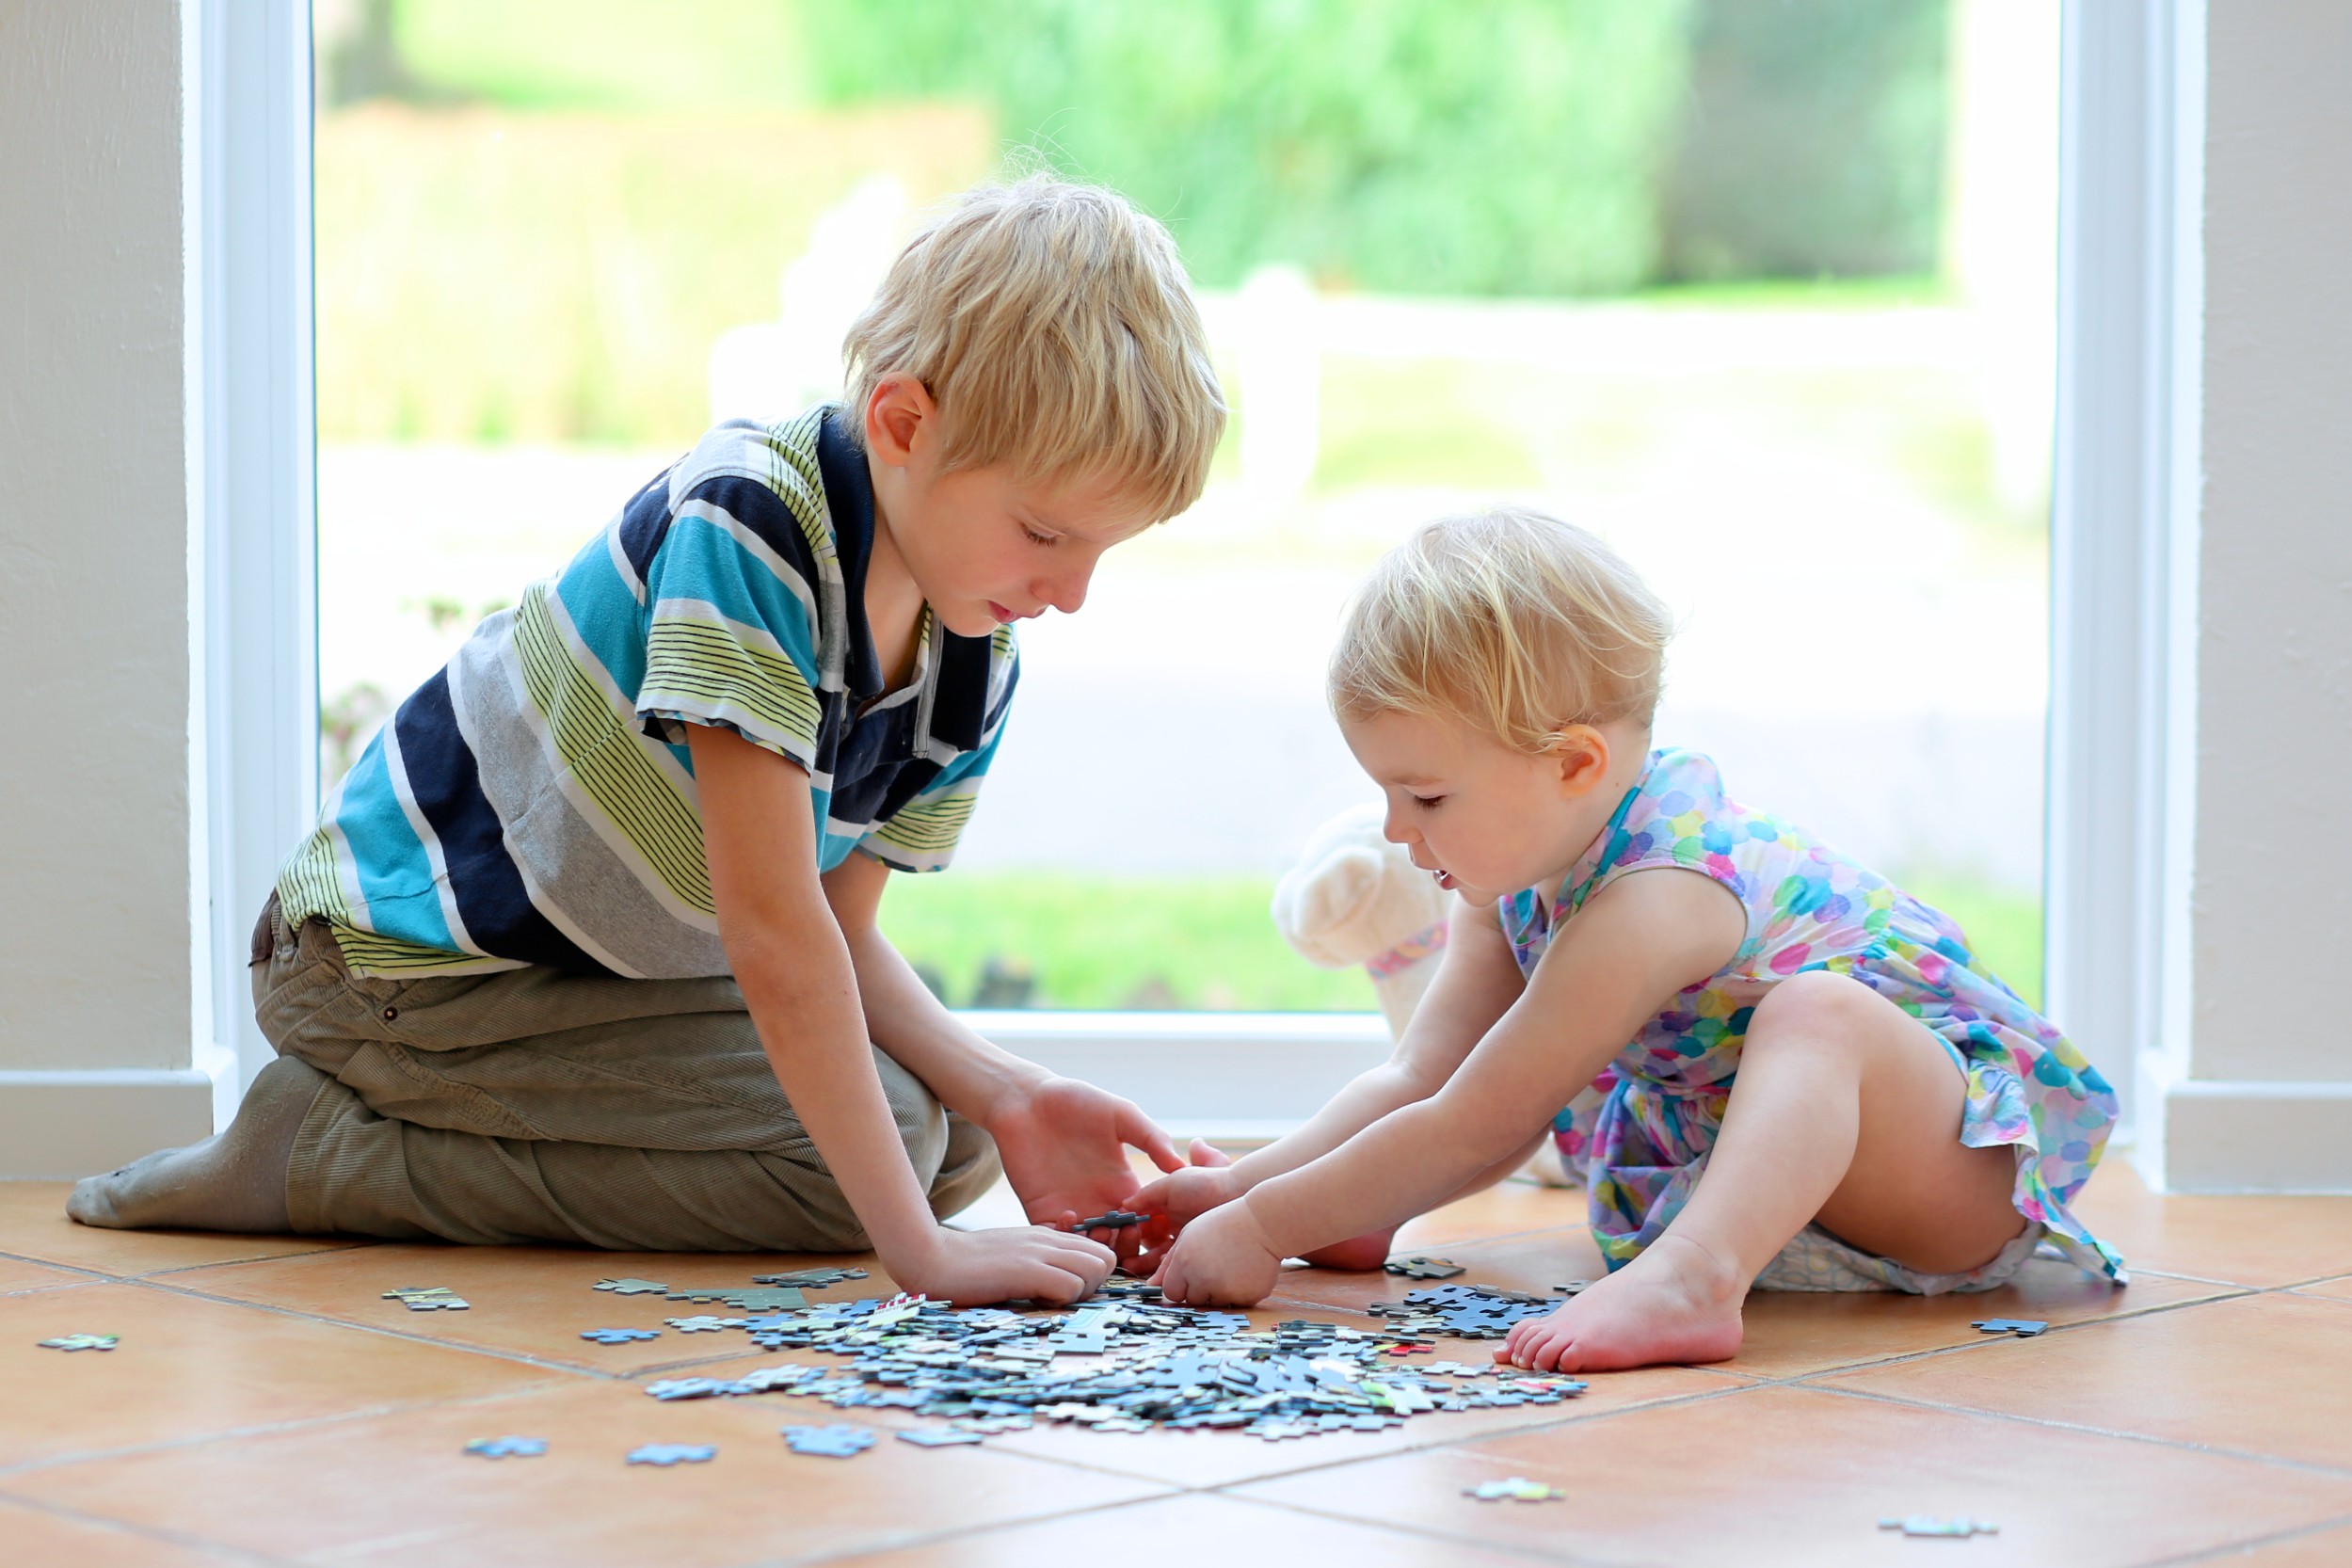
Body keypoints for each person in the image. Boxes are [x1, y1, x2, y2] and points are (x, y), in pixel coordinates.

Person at [69, 175, 1228, 1307]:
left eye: (1099, 552)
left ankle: (364, 1133)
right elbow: (776, 934)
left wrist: (1016, 1091)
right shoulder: (751, 526)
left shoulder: (975, 649)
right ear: (903, 422)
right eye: (1044, 532)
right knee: (861, 1172)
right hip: (397, 969)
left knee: (958, 1134)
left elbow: (838, 934)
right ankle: (318, 1153)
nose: (1069, 592)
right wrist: (918, 1255)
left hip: (590, 981)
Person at [1136, 506, 2123, 1369]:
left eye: (1426, 794)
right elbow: (1425, 1078)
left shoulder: (1658, 893)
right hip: (1784, 1181)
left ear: (1572, 763)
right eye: (1385, 792)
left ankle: (1697, 1281)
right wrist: (1245, 1182)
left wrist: (1264, 1228)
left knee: (1819, 1013)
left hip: (1945, 1176)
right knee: (1446, 1081)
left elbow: (1484, 1121)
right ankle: (1638, 1250)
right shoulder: (1508, 869)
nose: (1398, 829)